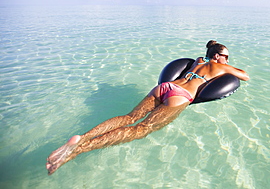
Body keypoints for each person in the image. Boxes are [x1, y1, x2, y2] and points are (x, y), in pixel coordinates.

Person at [46, 40, 249, 175]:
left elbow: (202, 59)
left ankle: (83, 137)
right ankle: (79, 150)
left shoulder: (199, 60)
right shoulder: (221, 66)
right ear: (217, 57)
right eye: (226, 56)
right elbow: (244, 75)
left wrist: (212, 50)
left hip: (165, 87)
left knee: (129, 117)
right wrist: (226, 66)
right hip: (181, 96)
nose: (227, 60)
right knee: (142, 129)